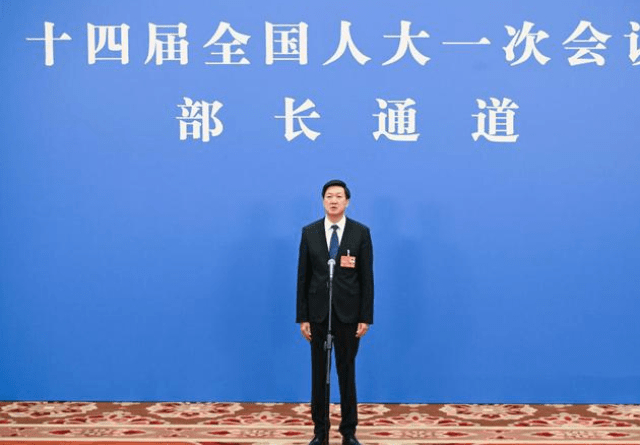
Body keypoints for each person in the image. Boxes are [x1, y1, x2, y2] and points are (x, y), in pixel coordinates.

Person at [296, 179, 374, 445]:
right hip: (318, 315)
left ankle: (348, 432)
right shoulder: (310, 232)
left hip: (349, 316)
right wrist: (303, 317)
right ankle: (320, 431)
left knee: (346, 372)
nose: (333, 200)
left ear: (347, 201)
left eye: (339, 196)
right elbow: (303, 277)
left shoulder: (360, 232)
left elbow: (367, 279)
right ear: (322, 201)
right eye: (329, 196)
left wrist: (365, 317)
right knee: (319, 375)